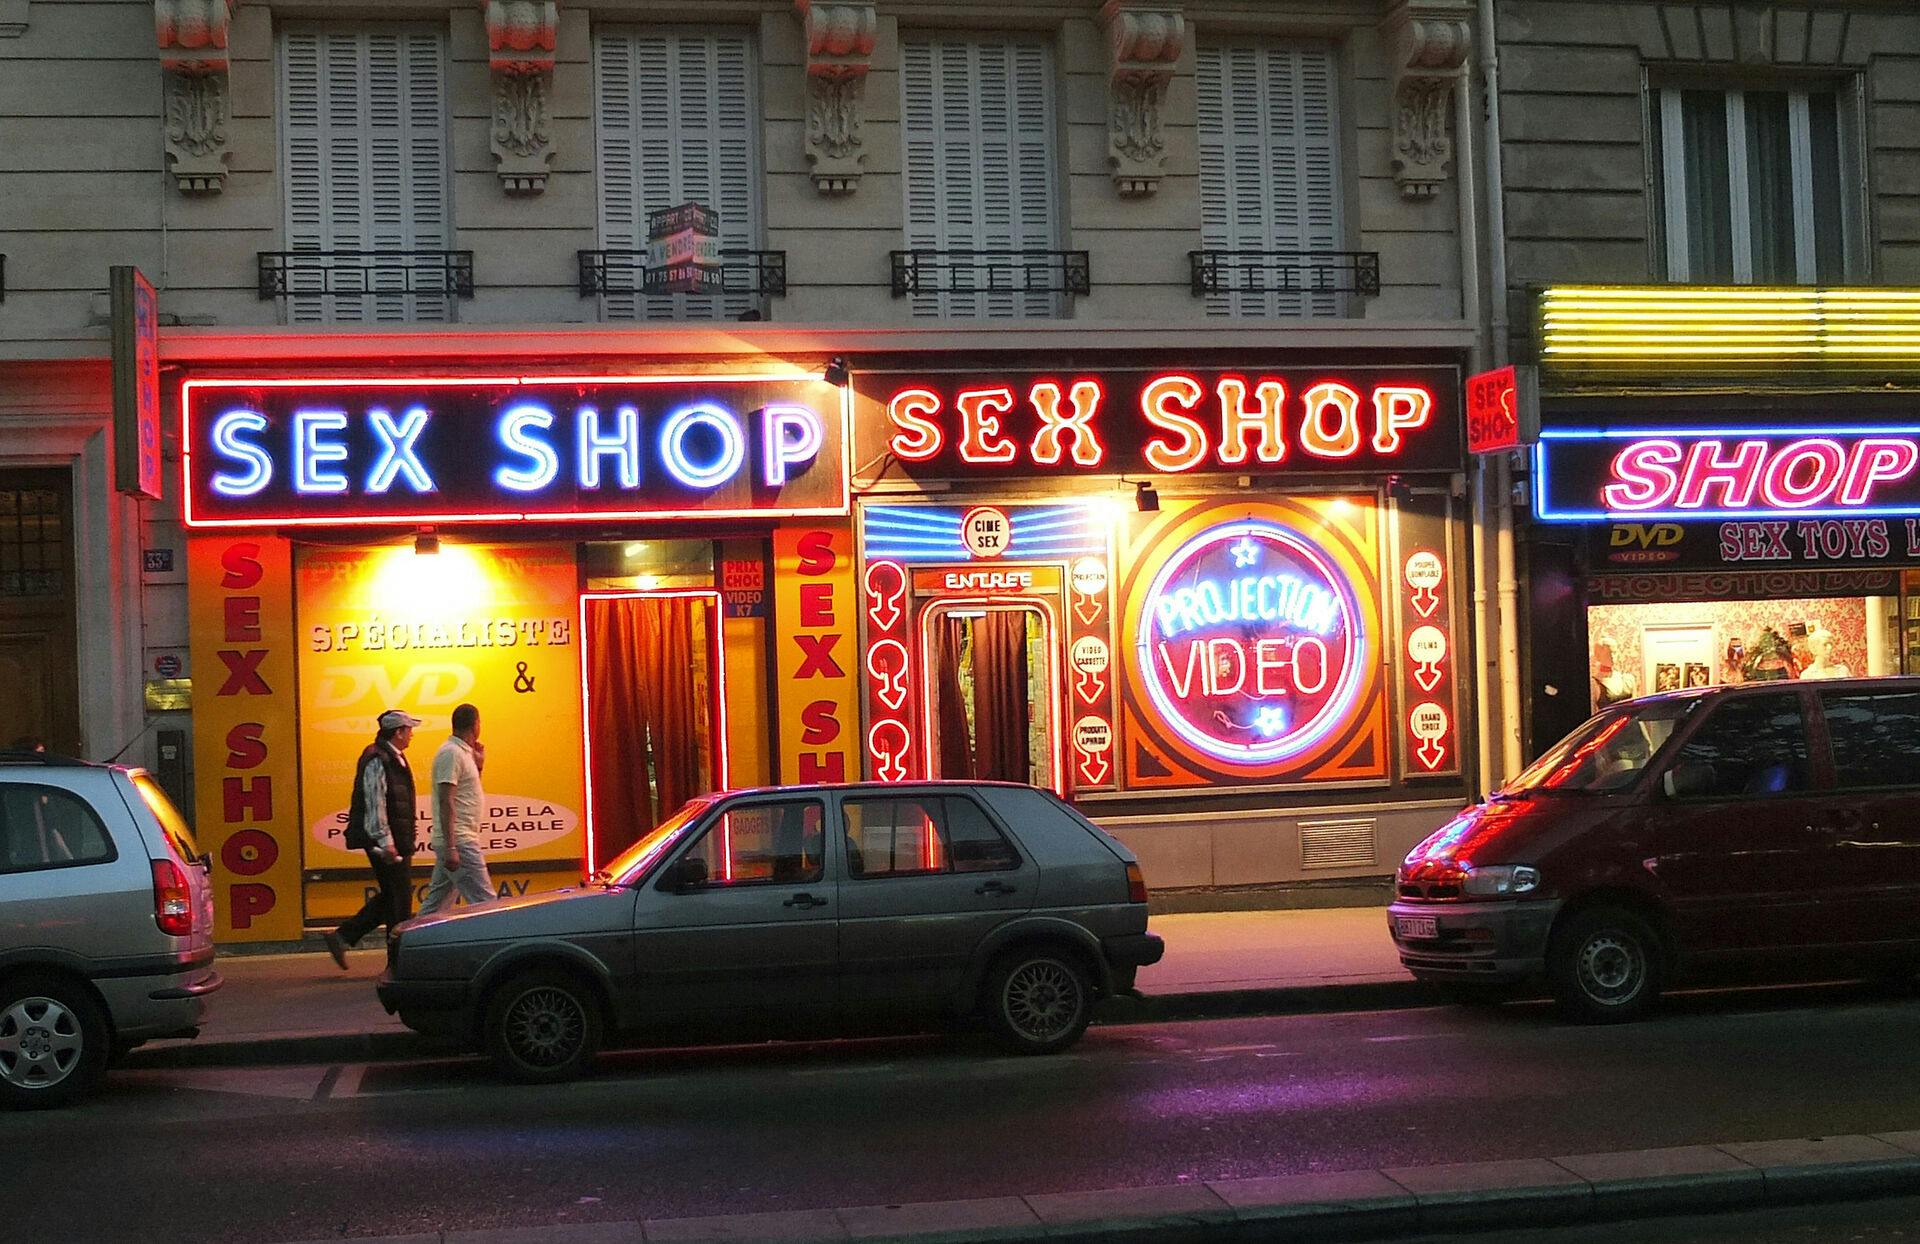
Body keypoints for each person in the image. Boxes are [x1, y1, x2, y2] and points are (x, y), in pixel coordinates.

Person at [324, 709, 422, 970]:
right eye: (409, 729)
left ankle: (343, 937)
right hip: (386, 841)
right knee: (399, 902)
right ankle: (398, 962)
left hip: (394, 839)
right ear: (398, 732)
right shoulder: (378, 759)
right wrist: (385, 840)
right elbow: (375, 802)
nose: (412, 734)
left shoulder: (392, 757)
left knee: (393, 897)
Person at [419, 703, 493, 915]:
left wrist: (479, 765)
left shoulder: (463, 754)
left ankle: (411, 941)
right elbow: (446, 799)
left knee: (437, 907)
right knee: (486, 904)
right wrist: (451, 847)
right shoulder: (451, 753)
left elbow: (466, 791)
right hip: (460, 842)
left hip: (457, 841)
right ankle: (498, 945)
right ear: (475, 725)